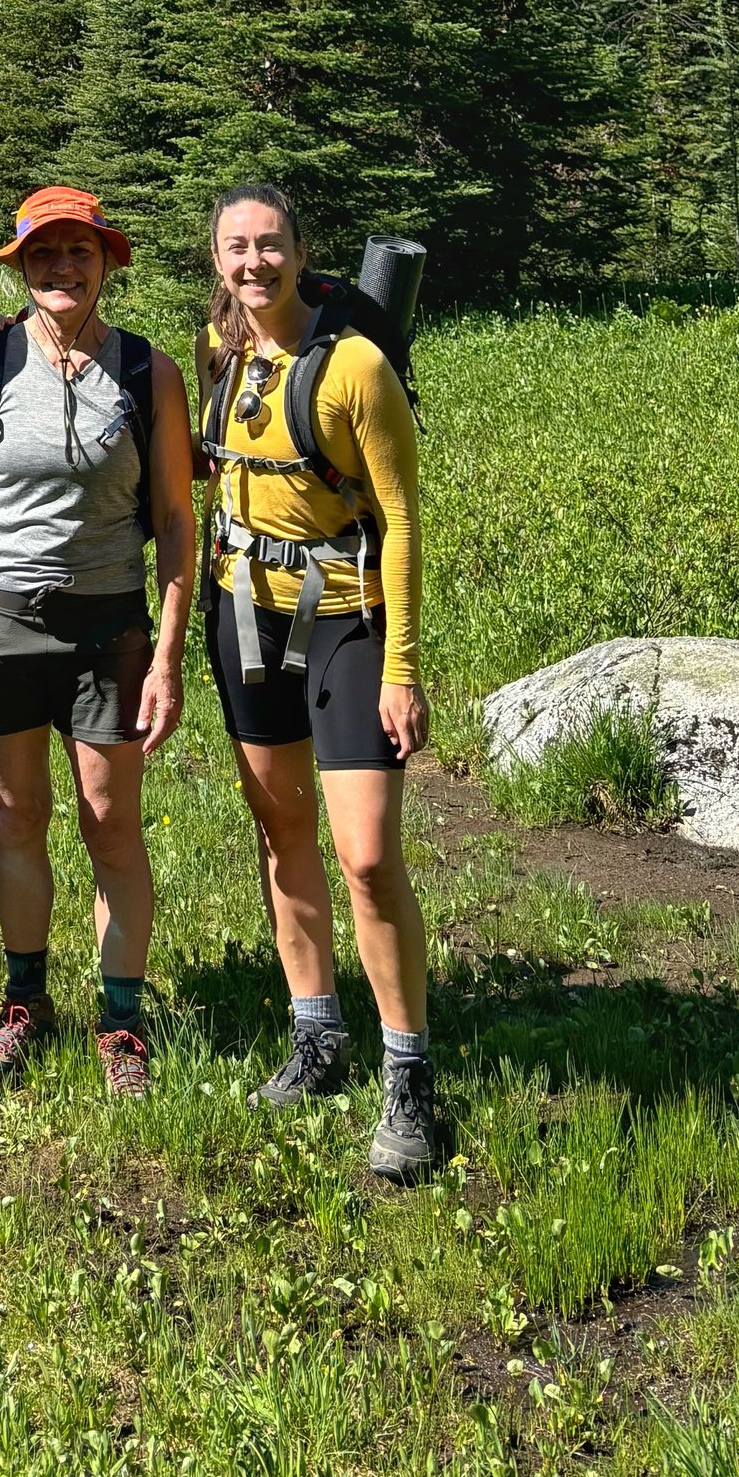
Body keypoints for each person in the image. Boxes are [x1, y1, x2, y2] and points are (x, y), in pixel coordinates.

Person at [0, 187, 196, 1099]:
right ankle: (24, 1004)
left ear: (107, 261)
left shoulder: (150, 372)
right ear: (20, 266)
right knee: (18, 816)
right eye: (43, 253)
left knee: (110, 820)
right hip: (0, 622)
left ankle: (121, 1020)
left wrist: (167, 657)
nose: (62, 268)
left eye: (80, 251)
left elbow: (174, 520)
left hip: (109, 626)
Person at [198, 181, 441, 1179]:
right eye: (236, 248)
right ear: (217, 262)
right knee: (281, 831)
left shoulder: (356, 367)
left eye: (270, 245)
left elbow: (402, 518)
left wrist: (403, 669)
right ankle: (316, 1033)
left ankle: (408, 1073)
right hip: (242, 615)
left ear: (301, 252)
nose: (253, 263)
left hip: (346, 621)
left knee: (367, 856)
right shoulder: (219, 353)